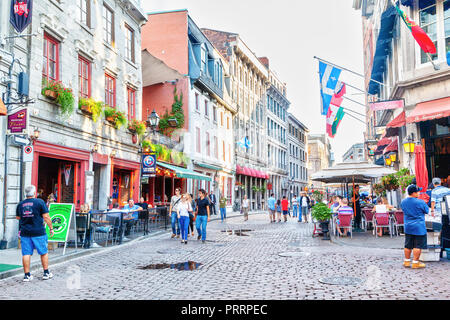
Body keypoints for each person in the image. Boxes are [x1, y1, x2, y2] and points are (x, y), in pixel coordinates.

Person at [16, 185, 54, 282]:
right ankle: (46, 273)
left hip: (25, 232)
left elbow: (18, 218)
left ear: (26, 193)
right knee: (43, 252)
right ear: (34, 193)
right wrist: (51, 228)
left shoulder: (20, 204)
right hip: (38, 232)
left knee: (26, 253)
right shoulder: (40, 202)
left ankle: (27, 275)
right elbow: (46, 217)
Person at [401, 185, 430, 269]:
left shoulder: (403, 202)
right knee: (417, 245)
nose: (419, 193)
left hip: (408, 226)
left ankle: (406, 261)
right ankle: (415, 262)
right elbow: (427, 211)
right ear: (413, 193)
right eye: (418, 192)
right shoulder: (420, 202)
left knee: (408, 245)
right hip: (419, 227)